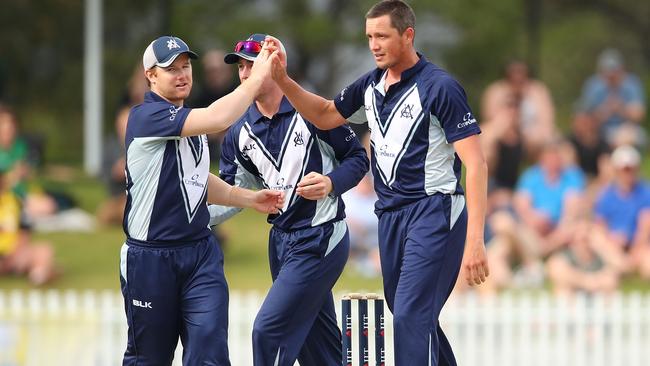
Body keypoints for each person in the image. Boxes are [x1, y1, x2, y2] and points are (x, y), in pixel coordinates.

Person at [266, 1, 490, 364]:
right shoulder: (371, 85)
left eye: (382, 36)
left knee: (410, 318)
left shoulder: (440, 87)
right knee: (412, 318)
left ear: (408, 35)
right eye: (369, 36)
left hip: (434, 211)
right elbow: (324, 115)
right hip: (389, 216)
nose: (374, 44)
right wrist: (283, 80)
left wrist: (476, 240)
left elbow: (476, 164)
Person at [120, 35, 283, 366]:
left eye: (186, 67)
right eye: (171, 70)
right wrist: (257, 78)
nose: (182, 75)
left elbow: (196, 180)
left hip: (200, 254)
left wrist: (248, 198)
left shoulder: (188, 123)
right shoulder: (145, 117)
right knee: (149, 358)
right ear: (150, 75)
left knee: (209, 352)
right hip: (151, 260)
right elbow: (220, 118)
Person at [208, 33, 369, 366]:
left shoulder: (310, 111)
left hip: (321, 237)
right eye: (240, 66)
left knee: (268, 332)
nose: (243, 73)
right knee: (319, 349)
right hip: (280, 243)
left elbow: (357, 158)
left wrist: (330, 182)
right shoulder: (237, 132)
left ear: (277, 65)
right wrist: (186, 217)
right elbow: (231, 193)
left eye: (252, 65)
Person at [594, 145, 650, 279]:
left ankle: (624, 268)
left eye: (630, 169)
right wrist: (612, 238)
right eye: (624, 169)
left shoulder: (645, 193)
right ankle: (624, 267)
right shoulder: (606, 195)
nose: (627, 173)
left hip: (638, 245)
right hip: (613, 246)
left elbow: (645, 226)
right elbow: (600, 226)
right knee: (596, 236)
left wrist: (635, 248)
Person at [481, 60, 557, 159]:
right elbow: (489, 118)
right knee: (484, 141)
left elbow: (547, 120)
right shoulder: (495, 91)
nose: (518, 78)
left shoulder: (538, 91)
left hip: (533, 132)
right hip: (501, 130)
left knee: (561, 148)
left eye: (521, 74)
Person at [578, 48, 646, 147]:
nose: (611, 75)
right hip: (600, 131)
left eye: (614, 71)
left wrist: (620, 109)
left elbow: (638, 114)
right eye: (607, 72)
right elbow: (584, 117)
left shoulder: (632, 84)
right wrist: (605, 110)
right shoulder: (593, 86)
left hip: (627, 129)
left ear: (621, 70)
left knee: (631, 136)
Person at [0, 171, 56, 285]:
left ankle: (39, 274)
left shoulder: (15, 202)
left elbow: (25, 231)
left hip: (11, 254)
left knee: (43, 251)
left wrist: (17, 253)